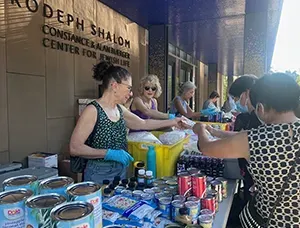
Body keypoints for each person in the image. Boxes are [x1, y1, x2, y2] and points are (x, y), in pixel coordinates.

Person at [193, 73, 300, 228]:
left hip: (266, 220)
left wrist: (201, 129)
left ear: (260, 108)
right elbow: (240, 137)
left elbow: (207, 148)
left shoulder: (255, 139)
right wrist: (216, 132)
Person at [69, 61, 186, 184]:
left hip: (121, 170)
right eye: (129, 88)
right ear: (115, 86)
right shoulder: (93, 110)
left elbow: (143, 123)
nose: (131, 93)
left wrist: (173, 122)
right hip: (98, 174)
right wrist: (108, 153)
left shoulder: (120, 109)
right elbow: (75, 148)